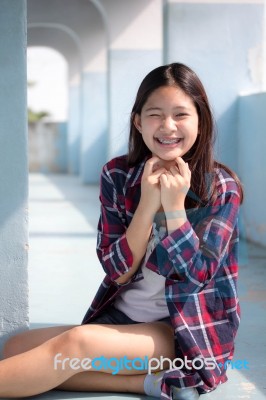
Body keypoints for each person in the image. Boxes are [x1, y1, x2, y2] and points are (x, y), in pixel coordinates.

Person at [0, 63, 243, 400]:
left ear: (200, 122)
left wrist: (174, 209)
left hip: (183, 332)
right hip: (122, 317)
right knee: (16, 347)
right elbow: (118, 272)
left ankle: (172, 373)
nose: (168, 126)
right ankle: (147, 383)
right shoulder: (117, 175)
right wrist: (146, 204)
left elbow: (197, 276)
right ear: (138, 121)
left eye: (181, 115)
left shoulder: (221, 186)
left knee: (76, 345)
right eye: (155, 114)